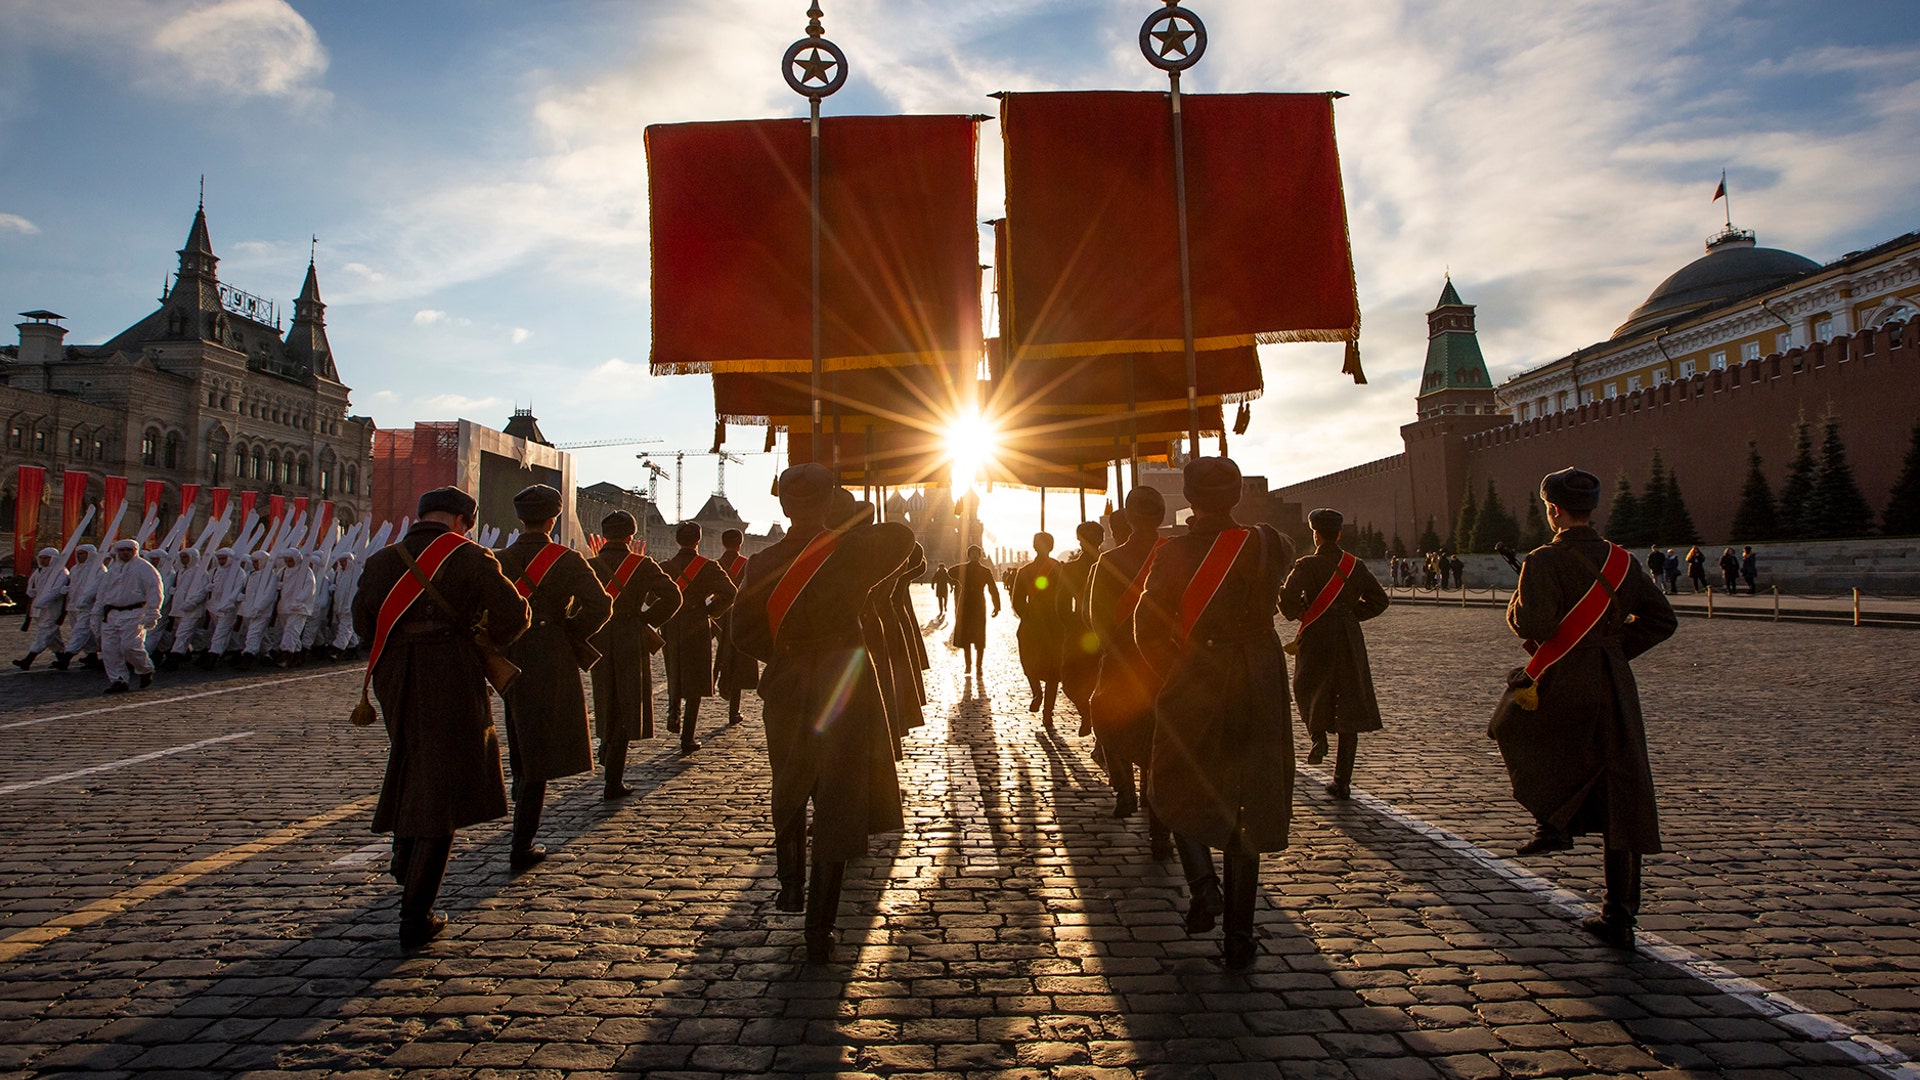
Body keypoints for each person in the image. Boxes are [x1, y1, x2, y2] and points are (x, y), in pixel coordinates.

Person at [732, 466, 913, 962]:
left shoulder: (761, 561)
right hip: (844, 681)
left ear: (784, 505)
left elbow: (741, 634)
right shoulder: (854, 551)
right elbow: (904, 539)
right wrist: (846, 518)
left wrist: (789, 656)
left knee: (789, 784)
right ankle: (820, 927)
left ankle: (790, 885)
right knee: (839, 797)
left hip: (788, 681)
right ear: (830, 500)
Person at [1495, 467, 1675, 949]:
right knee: (1621, 787)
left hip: (1563, 680)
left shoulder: (1543, 559)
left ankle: (1551, 821)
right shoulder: (1621, 561)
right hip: (1613, 683)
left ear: (1553, 509)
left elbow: (1532, 622)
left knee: (1512, 727)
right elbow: (1662, 620)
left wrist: (1515, 607)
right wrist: (1612, 650)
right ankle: (1619, 914)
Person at [1136, 457, 1296, 970]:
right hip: (1260, 677)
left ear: (1189, 497)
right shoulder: (1271, 542)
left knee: (1173, 778)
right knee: (1247, 799)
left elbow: (1147, 624)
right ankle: (1240, 939)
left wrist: (1171, 674)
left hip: (1200, 671)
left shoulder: (1175, 552)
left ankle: (1204, 887)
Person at [352, 485, 529, 949]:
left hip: (394, 676)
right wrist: (482, 633)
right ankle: (416, 913)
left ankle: (402, 849)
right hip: (449, 670)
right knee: (443, 781)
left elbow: (362, 624)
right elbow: (514, 615)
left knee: (412, 758)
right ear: (462, 522)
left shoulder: (382, 560)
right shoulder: (471, 557)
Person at [496, 484, 612, 871]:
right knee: (540, 747)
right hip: (551, 653)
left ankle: (520, 809)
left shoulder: (500, 559)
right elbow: (600, 605)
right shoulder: (567, 559)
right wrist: (572, 634)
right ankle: (522, 842)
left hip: (511, 653)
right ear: (554, 518)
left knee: (519, 730)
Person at [1086, 488, 1174, 858]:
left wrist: (1113, 650)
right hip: (1165, 664)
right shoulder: (1178, 556)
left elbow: (1095, 620)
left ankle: (1123, 786)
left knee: (1109, 722)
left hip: (1122, 662)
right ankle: (1159, 833)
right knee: (1158, 745)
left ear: (1129, 518)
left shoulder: (1108, 560)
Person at [1279, 509, 1390, 801]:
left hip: (1317, 635)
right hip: (1349, 639)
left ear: (1315, 534)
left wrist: (1298, 611)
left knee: (1307, 687)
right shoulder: (1355, 565)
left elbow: (1288, 602)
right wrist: (1351, 616)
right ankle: (1342, 782)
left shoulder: (1307, 565)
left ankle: (1317, 737)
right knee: (1349, 703)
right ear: (1339, 534)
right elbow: (1380, 600)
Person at [586, 510, 680, 797]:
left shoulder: (591, 564)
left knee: (604, 697)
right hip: (630, 636)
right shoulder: (643, 565)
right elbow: (673, 597)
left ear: (604, 535)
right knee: (628, 705)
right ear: (630, 536)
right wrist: (647, 621)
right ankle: (613, 780)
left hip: (600, 638)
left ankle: (605, 745)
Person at [660, 521, 738, 753]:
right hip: (696, 624)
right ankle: (688, 737)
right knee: (695, 679)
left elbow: (653, 596)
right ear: (698, 541)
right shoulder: (707, 566)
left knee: (673, 668)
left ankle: (673, 711)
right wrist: (710, 611)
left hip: (671, 624)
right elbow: (730, 592)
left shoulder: (666, 566)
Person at [1012, 531, 1069, 725]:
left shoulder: (1025, 570)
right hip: (1054, 623)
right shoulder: (1059, 569)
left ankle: (1037, 693)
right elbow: (1067, 597)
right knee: (1054, 672)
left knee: (1029, 662)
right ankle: (1048, 712)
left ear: (1034, 546)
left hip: (1031, 624)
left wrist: (1028, 616)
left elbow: (1017, 600)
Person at [95, 538, 164, 694]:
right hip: (111, 615)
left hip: (134, 614)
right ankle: (118, 679)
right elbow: (102, 593)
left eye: (128, 550)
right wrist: (96, 613)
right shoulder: (112, 570)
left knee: (130, 647)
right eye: (122, 550)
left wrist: (153, 613)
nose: (125, 553)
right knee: (109, 650)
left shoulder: (145, 568)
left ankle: (145, 668)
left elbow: (155, 591)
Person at [1058, 520, 1105, 726]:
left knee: (1070, 680)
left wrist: (1073, 625)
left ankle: (1088, 713)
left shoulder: (1071, 569)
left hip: (1083, 629)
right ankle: (1091, 714)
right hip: (1105, 629)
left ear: (1080, 541)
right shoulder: (1113, 565)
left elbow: (1061, 606)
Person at [714, 528, 758, 727]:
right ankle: (734, 710)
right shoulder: (748, 564)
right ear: (740, 543)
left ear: (723, 543)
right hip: (740, 616)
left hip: (719, 617)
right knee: (739, 661)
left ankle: (723, 683)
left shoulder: (715, 565)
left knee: (723, 655)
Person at [949, 545, 1001, 675]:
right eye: (971, 553)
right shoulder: (964, 569)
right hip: (965, 604)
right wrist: (963, 565)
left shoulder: (985, 571)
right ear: (969, 555)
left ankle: (979, 666)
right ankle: (968, 665)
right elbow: (950, 572)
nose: (974, 555)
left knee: (979, 636)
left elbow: (992, 588)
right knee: (966, 637)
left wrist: (997, 605)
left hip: (978, 604)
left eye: (976, 553)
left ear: (980, 555)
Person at [14, 548, 68, 670]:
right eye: (41, 558)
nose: (43, 560)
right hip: (38, 610)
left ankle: (28, 660)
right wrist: (30, 592)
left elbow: (56, 591)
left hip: (52, 610)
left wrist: (43, 601)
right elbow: (31, 584)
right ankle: (62, 659)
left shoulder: (61, 573)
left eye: (46, 558)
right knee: (53, 637)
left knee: (44, 634)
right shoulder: (39, 571)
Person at [162, 547, 212, 670]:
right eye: (182, 557)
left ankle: (175, 657)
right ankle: (200, 649)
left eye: (186, 557)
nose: (183, 560)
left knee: (183, 633)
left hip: (191, 610)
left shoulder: (200, 573)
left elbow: (201, 591)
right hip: (178, 609)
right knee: (187, 633)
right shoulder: (181, 571)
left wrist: (191, 603)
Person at [59, 544, 105, 670]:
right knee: (85, 633)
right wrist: (66, 589)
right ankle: (91, 656)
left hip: (88, 607)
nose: (79, 556)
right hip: (73, 606)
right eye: (78, 553)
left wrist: (86, 598)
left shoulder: (98, 569)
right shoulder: (74, 569)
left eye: (82, 553)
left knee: (80, 631)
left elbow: (98, 587)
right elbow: (73, 584)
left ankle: (67, 656)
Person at [236, 549, 280, 669]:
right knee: (260, 634)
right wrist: (242, 597)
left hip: (261, 612)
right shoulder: (251, 575)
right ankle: (267, 654)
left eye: (257, 562)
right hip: (248, 610)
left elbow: (269, 595)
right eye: (253, 562)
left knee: (253, 634)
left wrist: (259, 608)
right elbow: (247, 591)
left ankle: (248, 657)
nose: (254, 564)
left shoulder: (270, 576)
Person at [273, 549, 316, 667]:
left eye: (290, 561)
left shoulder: (306, 572)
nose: (288, 563)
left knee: (291, 631)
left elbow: (309, 588)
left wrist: (299, 601)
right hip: (284, 607)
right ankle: (297, 656)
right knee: (291, 633)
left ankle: (286, 656)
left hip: (298, 608)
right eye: (286, 561)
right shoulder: (284, 571)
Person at [327, 550, 363, 661]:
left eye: (344, 561)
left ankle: (337, 649)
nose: (342, 564)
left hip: (349, 607)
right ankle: (354, 649)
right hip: (341, 607)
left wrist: (351, 604)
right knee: (348, 629)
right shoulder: (340, 574)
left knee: (345, 628)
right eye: (340, 561)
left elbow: (355, 591)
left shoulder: (356, 574)